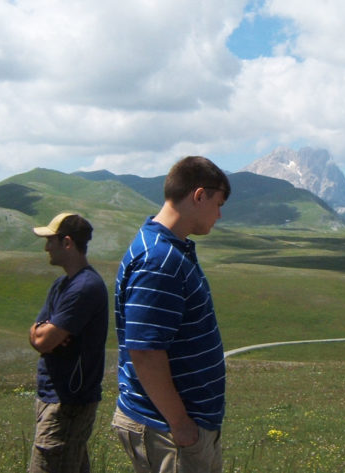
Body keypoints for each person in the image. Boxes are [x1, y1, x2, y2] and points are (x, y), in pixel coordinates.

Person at [111, 156, 231, 473]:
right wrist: (180, 424)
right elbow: (145, 351)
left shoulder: (168, 249)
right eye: (218, 203)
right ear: (199, 195)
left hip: (173, 424)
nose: (219, 215)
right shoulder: (159, 261)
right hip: (168, 430)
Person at [28, 212, 109, 473]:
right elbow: (39, 334)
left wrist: (46, 334)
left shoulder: (85, 287)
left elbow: (41, 339)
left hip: (67, 402)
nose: (46, 247)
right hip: (56, 397)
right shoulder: (62, 284)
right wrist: (45, 333)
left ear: (67, 243)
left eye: (51, 240)